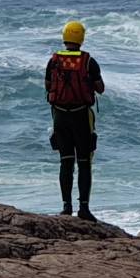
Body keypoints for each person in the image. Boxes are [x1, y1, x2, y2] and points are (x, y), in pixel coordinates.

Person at [45, 20, 104, 220]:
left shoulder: (54, 61)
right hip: (81, 115)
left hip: (60, 116)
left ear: (65, 37)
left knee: (65, 162)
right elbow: (100, 88)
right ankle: (84, 209)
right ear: (81, 38)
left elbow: (47, 86)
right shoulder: (88, 61)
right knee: (84, 162)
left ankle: (66, 207)